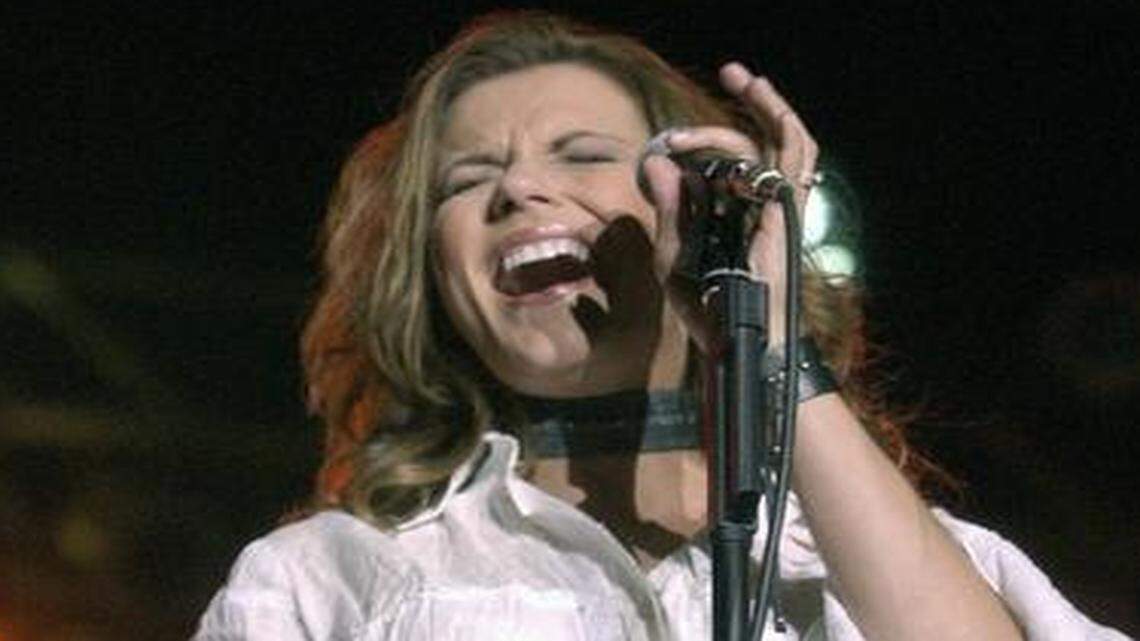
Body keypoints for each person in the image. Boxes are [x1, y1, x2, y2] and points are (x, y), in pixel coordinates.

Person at [192, 11, 1130, 641]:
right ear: (432, 279)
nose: (518, 187)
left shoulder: (901, 559)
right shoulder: (323, 583)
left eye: (585, 154)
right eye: (466, 179)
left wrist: (765, 329)